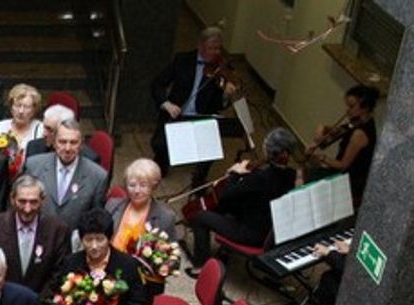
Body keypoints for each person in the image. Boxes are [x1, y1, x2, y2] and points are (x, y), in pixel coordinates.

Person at [46, 208, 149, 305]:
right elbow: (56, 300)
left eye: (100, 239)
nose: (94, 246)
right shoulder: (71, 263)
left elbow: (138, 303)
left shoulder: (127, 265)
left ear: (109, 238)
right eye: (88, 240)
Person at [188, 128, 297, 272]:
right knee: (235, 205)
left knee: (201, 217)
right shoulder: (291, 175)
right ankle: (224, 252)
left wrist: (234, 173)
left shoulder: (260, 179)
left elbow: (225, 195)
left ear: (267, 150)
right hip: (269, 232)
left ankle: (201, 266)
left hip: (251, 234)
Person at [149, 26, 237, 179]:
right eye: (211, 48)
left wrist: (225, 96)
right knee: (159, 144)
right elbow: (157, 83)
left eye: (218, 48)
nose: (216, 53)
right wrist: (167, 104)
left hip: (201, 116)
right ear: (200, 46)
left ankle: (199, 180)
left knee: (212, 150)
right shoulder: (182, 60)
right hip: (177, 114)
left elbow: (218, 106)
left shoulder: (221, 68)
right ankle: (163, 163)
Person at [0, 174, 71, 295]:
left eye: (33, 202)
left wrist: (36, 302)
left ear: (42, 201)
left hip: (42, 302)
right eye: (22, 201)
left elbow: (59, 273)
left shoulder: (57, 230)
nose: (27, 209)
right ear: (12, 199)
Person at [23, 117, 108, 232]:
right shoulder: (33, 166)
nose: (67, 148)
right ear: (54, 142)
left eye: (73, 142)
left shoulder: (97, 176)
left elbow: (95, 220)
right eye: (62, 142)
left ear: (81, 144)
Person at [305, 84, 380, 205]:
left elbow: (342, 165)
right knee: (310, 175)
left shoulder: (360, 134)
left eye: (351, 106)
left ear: (365, 108)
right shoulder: (358, 122)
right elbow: (335, 131)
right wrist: (322, 129)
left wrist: (321, 157)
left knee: (309, 181)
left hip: (349, 180)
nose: (347, 110)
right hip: (341, 172)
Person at [107, 158, 178, 254]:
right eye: (132, 185)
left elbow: (172, 254)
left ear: (153, 187)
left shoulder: (165, 217)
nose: (136, 191)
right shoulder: (112, 205)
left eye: (143, 185)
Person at [0, 84, 44, 152]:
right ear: (11, 107)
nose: (21, 111)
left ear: (34, 110)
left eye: (26, 107)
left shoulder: (41, 130)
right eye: (17, 105)